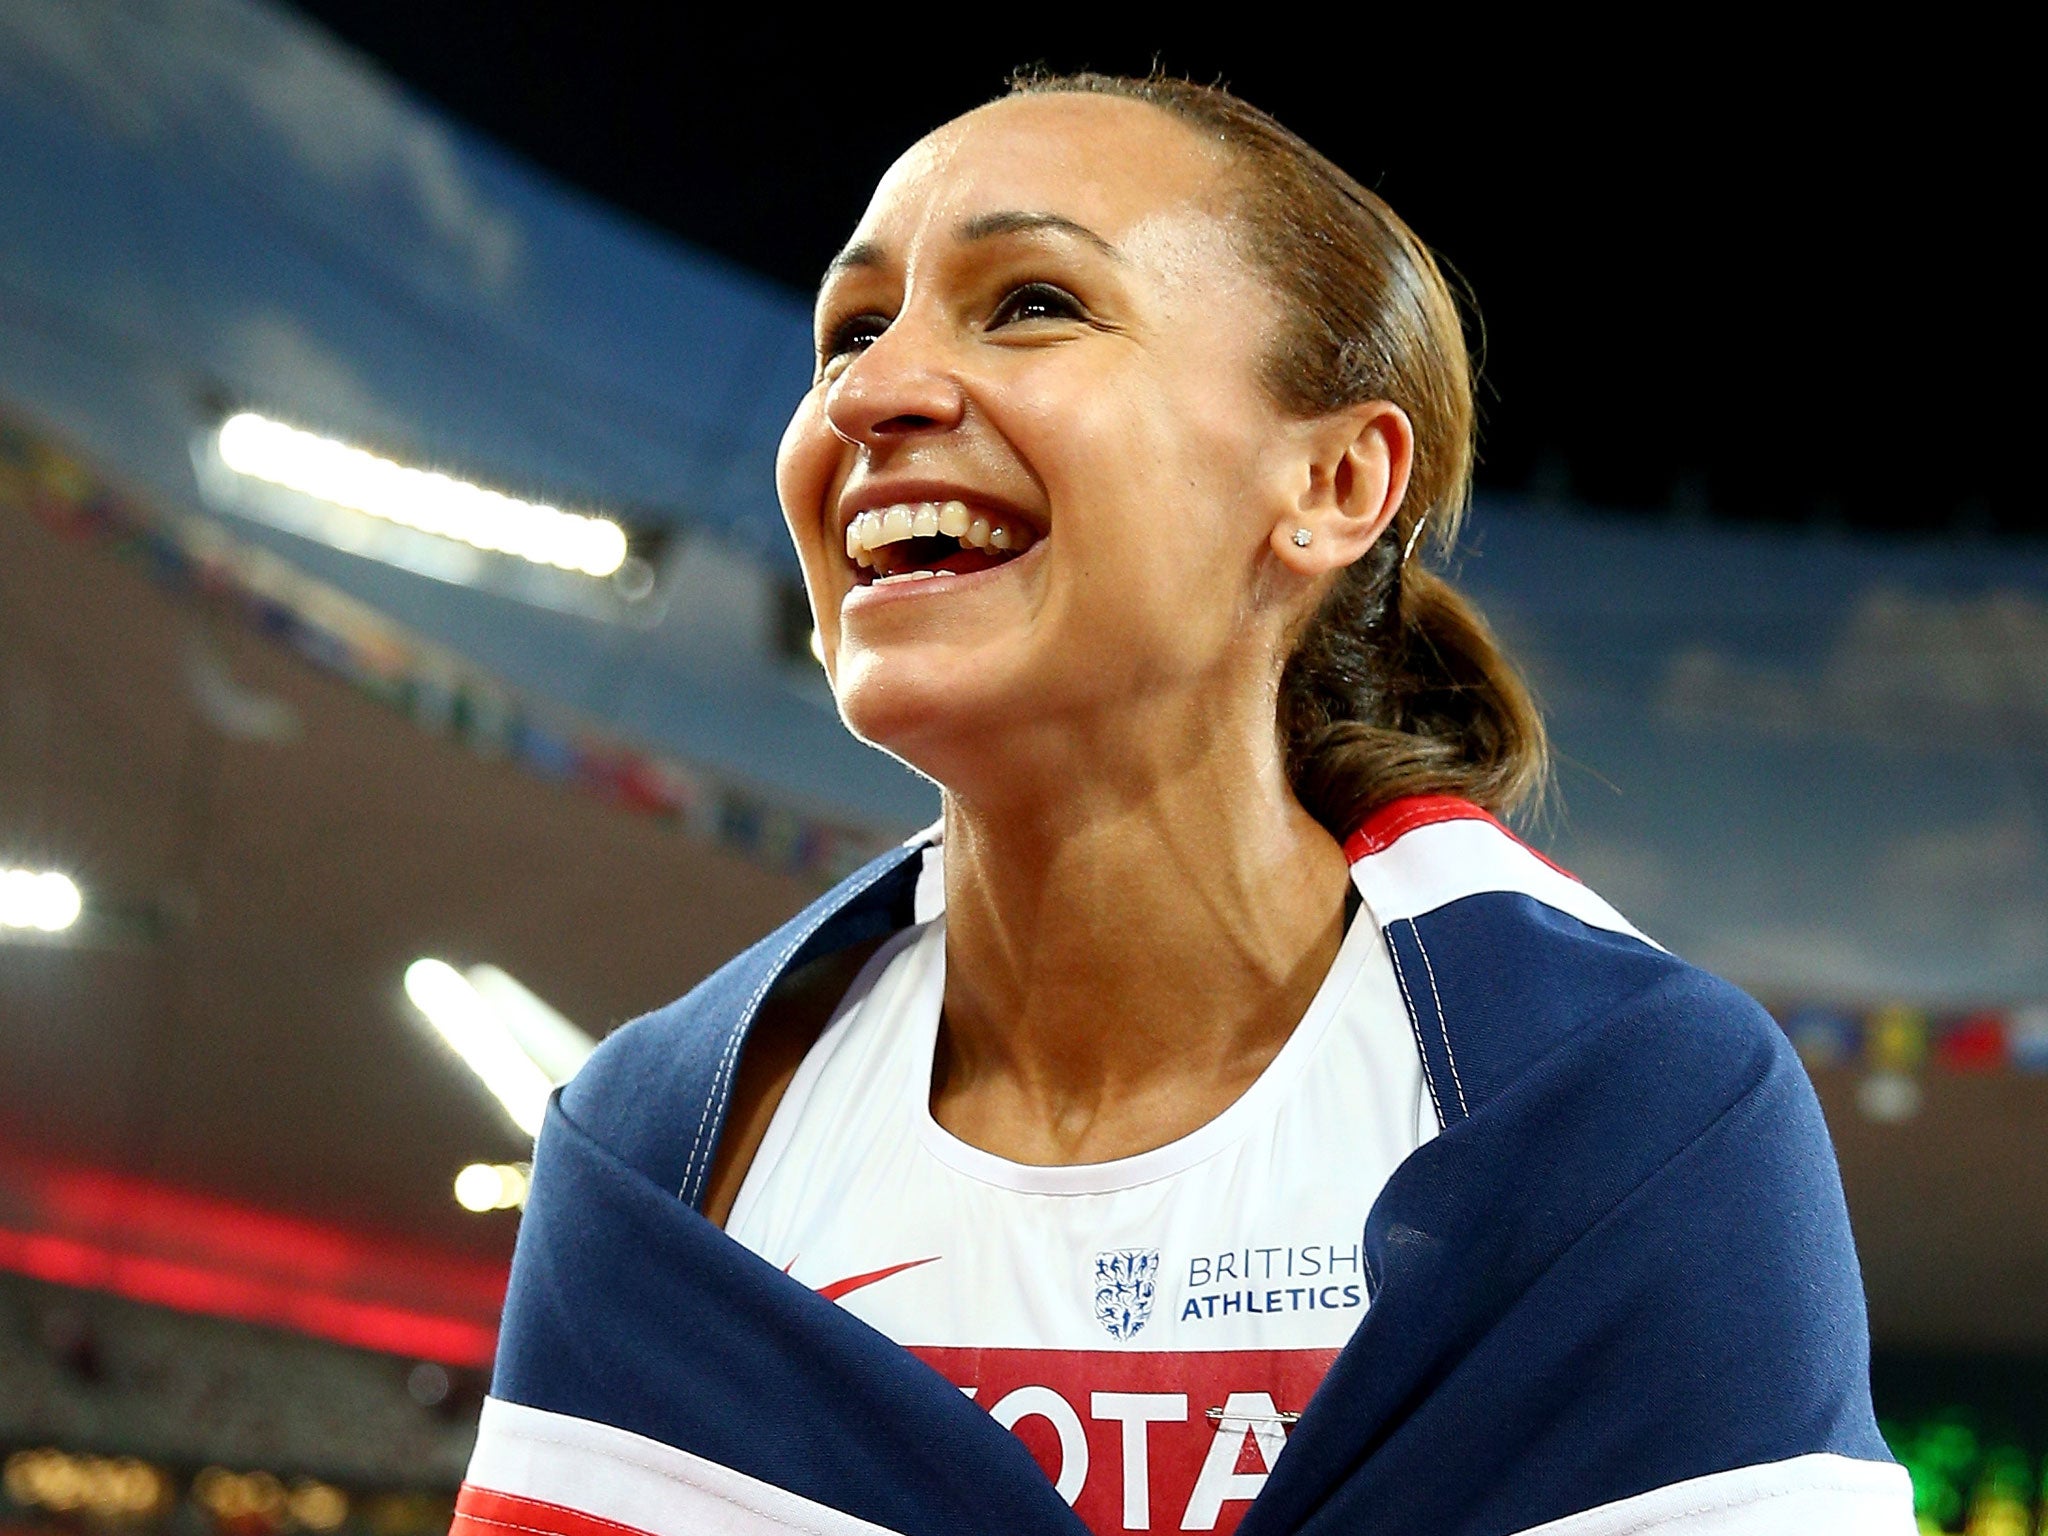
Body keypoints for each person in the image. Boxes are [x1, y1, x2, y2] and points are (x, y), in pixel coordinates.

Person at [452, 74, 1914, 1536]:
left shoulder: (1631, 1116)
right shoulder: (660, 1149)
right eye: (849, 330)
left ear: (1337, 480)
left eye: (1029, 302)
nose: (871, 392)